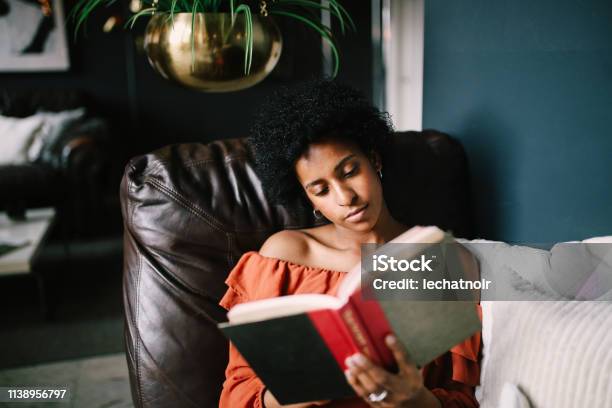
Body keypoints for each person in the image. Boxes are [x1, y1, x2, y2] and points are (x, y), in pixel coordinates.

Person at [218, 79, 481, 408]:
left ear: (375, 160)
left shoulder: (442, 262)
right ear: (308, 197)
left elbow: (464, 398)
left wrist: (414, 399)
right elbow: (237, 393)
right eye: (321, 189)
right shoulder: (282, 258)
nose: (346, 198)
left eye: (350, 170)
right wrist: (294, 398)